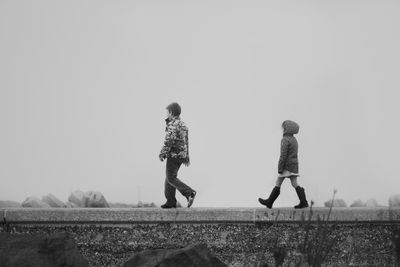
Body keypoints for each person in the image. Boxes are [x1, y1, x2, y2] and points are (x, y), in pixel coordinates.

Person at [258, 120, 309, 209]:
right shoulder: (294, 139)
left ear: (287, 129)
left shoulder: (285, 140)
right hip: (294, 165)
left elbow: (283, 155)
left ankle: (269, 202)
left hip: (287, 166)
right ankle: (304, 202)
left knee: (279, 182)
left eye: (284, 128)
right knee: (294, 183)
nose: (282, 130)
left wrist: (280, 168)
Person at [159, 102, 196, 209]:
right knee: (169, 177)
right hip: (181, 155)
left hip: (174, 155)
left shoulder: (173, 124)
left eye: (167, 112)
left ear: (171, 112)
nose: (166, 115)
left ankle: (189, 193)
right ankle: (170, 201)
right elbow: (186, 141)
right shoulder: (183, 124)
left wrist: (162, 153)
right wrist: (186, 156)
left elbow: (169, 141)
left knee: (171, 178)